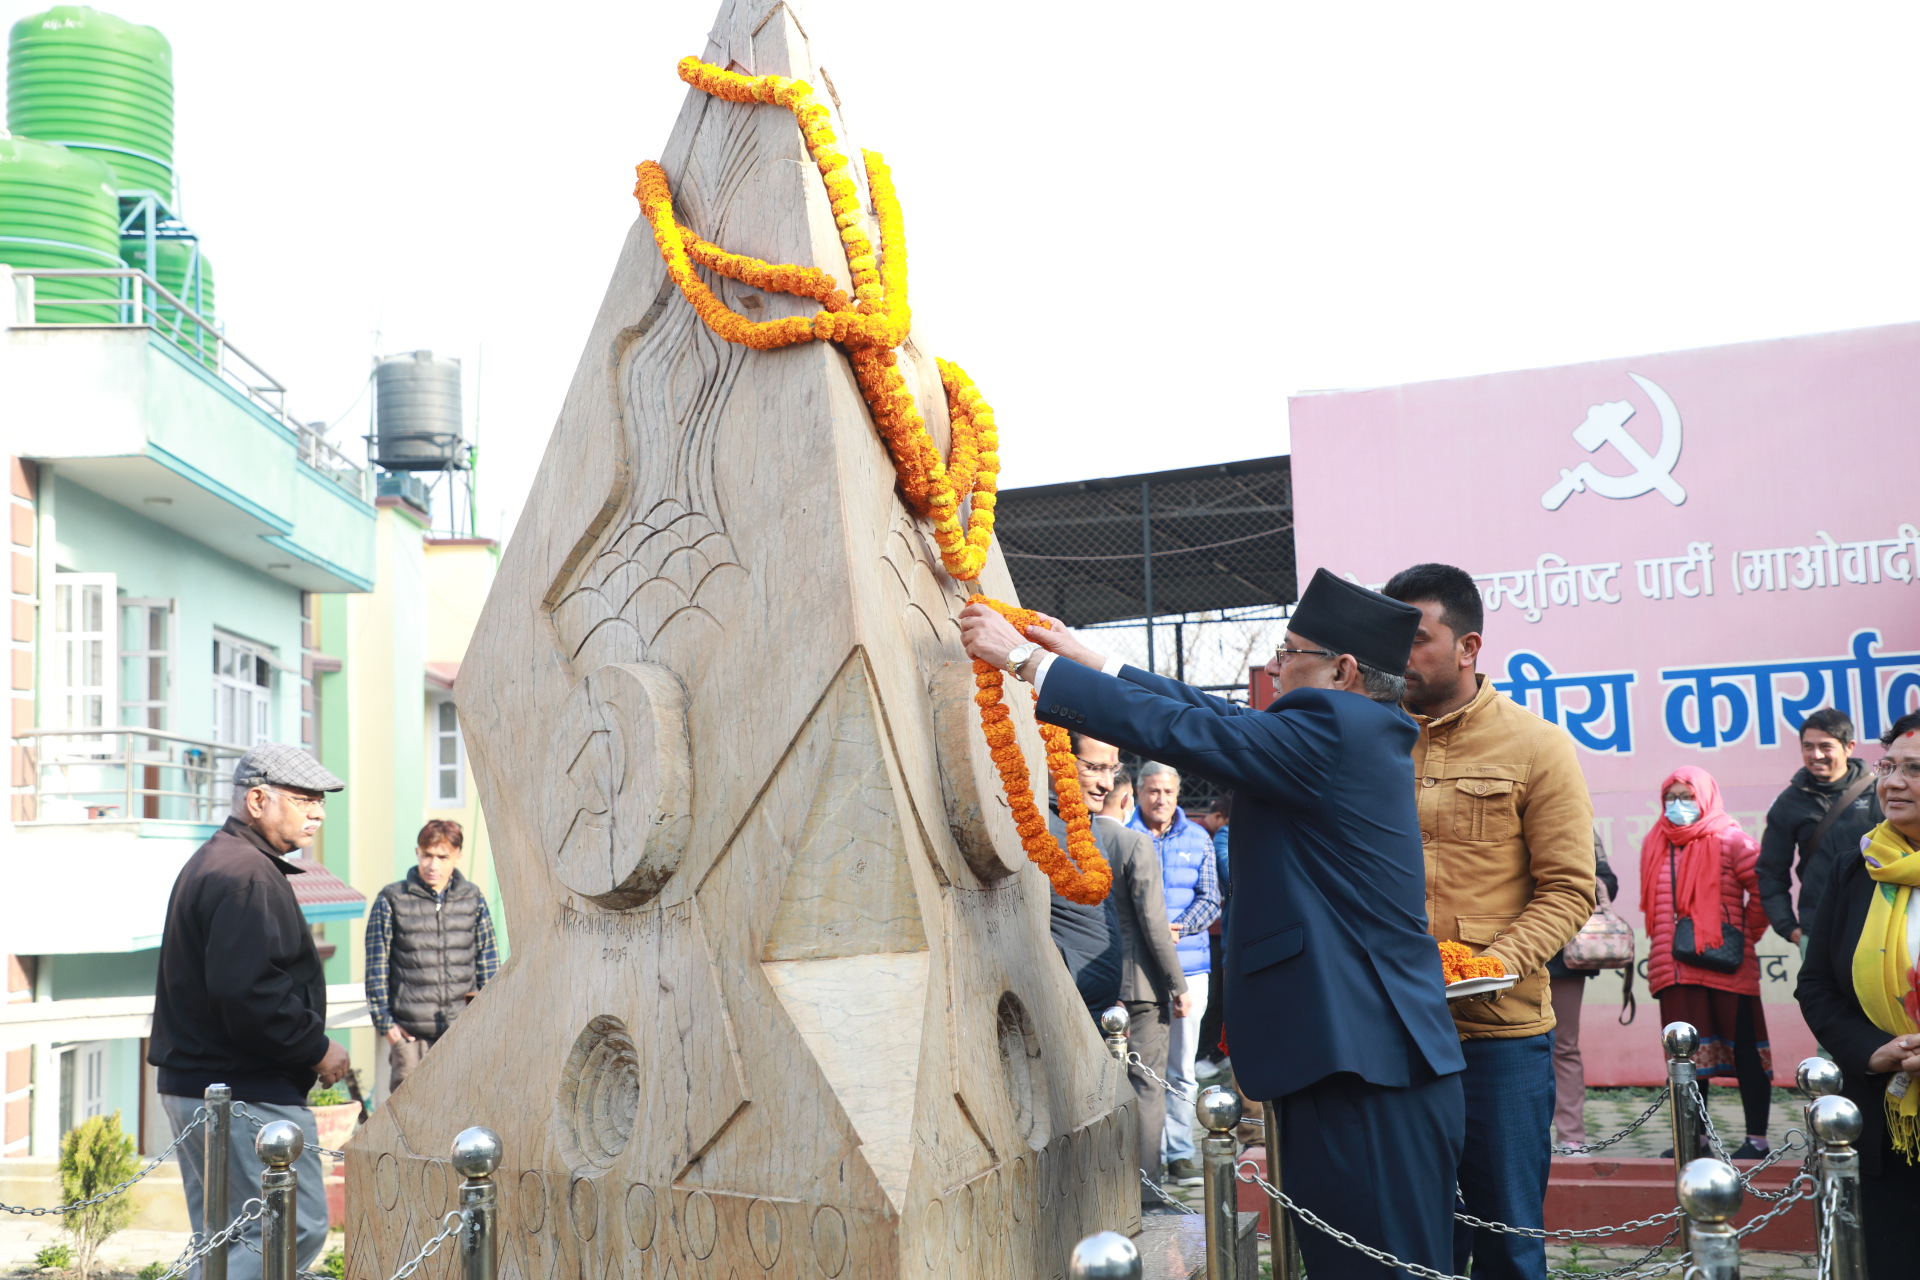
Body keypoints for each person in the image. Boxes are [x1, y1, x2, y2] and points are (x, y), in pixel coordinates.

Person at [961, 568, 1466, 1279]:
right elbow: (1213, 716)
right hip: (1361, 1060)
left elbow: (1190, 731)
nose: (1276, 668)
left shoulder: (1335, 729)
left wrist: (1025, 662)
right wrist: (1085, 657)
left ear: (1343, 670)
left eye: (1290, 653)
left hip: (1362, 1068)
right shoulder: (1349, 727)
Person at [1383, 562, 1596, 1280]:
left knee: (1507, 1241)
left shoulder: (1538, 746)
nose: (1401, 656)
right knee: (1411, 1243)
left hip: (1498, 1036)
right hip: (1389, 1028)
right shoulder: (1370, 741)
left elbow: (1569, 888)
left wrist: (1489, 965)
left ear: (1469, 646)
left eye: (1418, 638)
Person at [149, 745, 349, 1280]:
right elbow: (250, 995)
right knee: (290, 1228)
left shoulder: (223, 861)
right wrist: (318, 1049)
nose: (318, 813)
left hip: (204, 1084)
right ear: (257, 800)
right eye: (304, 799)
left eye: (321, 801)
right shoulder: (246, 874)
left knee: (224, 1242)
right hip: (240, 1090)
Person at [1796, 710, 1920, 1279]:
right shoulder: (1856, 870)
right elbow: (1816, 984)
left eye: (1914, 770)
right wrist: (1872, 1049)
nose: (1893, 782)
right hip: (1884, 1121)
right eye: (1888, 767)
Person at [1052, 734, 1192, 1204]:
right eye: (1094, 767)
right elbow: (1154, 924)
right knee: (1146, 1088)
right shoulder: (1128, 841)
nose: (1104, 781)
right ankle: (1146, 1192)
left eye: (1111, 770)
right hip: (1120, 989)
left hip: (1106, 987)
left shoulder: (1093, 833)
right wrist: (1176, 984)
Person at [1640, 766, 1773, 1158]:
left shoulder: (1732, 839)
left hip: (1727, 966)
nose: (1678, 805)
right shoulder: (1656, 841)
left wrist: (1742, 934)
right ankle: (1694, 1140)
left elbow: (1764, 891)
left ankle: (1757, 1141)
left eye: (1687, 797)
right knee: (1686, 1057)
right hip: (1675, 968)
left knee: (1746, 1052)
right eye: (1671, 797)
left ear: (1706, 798)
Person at [1128, 761, 1222, 1186]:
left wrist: (1178, 927)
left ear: (1178, 794)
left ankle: (1181, 1153)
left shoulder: (1198, 837)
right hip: (1139, 970)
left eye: (1167, 791)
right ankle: (1145, 1156)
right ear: (1139, 792)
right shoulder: (1125, 834)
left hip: (1190, 966)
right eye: (1152, 791)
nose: (1160, 799)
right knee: (1142, 1066)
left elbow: (1211, 899)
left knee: (1182, 1066)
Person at [365, 820, 500, 1094]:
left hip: (464, 1035)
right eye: (427, 855)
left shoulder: (473, 898)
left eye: (442, 857)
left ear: (458, 856)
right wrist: (387, 1026)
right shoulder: (391, 899)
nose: (432, 865)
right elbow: (376, 967)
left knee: (466, 1108)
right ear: (417, 852)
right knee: (409, 1114)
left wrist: (487, 1022)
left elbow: (489, 966)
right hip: (410, 1040)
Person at [1757, 707, 1883, 955]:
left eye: (1826, 747)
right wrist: (1790, 929)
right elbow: (1770, 873)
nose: (1816, 755)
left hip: (1880, 924)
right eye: (1808, 747)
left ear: (1849, 747)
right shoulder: (1789, 802)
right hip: (1819, 930)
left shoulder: (1880, 792)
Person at [1545, 833, 1618, 1148]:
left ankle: (1571, 1138)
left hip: (1563, 954)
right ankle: (1518, 1136)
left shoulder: (1575, 822)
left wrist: (1575, 883)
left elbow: (1608, 881)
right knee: (1506, 1047)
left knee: (1563, 1046)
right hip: (1506, 951)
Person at [1195, 794, 1232, 1079]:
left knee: (1219, 996)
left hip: (1220, 929)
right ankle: (1201, 1053)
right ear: (1221, 818)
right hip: (1205, 931)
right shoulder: (1200, 834)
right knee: (1209, 996)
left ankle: (1216, 1052)